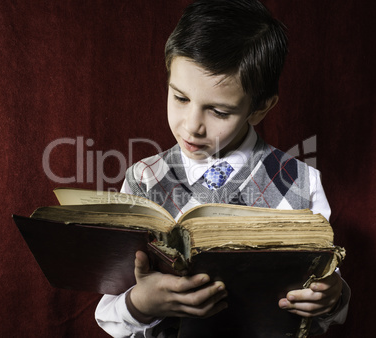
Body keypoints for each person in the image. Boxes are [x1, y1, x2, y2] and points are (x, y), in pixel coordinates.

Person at [95, 0, 350, 337]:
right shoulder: (143, 180)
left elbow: (326, 284)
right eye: (180, 98)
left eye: (218, 111)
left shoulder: (301, 183)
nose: (192, 126)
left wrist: (333, 298)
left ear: (259, 109)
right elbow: (108, 312)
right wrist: (141, 303)